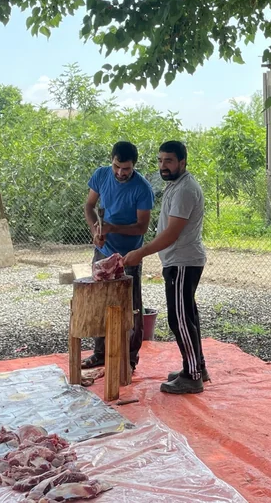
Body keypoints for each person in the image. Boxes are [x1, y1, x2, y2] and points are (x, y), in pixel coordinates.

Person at [124, 141, 208, 395]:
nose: (163, 166)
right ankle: (196, 367)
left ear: (182, 162)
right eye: (160, 160)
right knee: (187, 316)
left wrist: (140, 253)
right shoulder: (177, 185)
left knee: (179, 318)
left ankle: (193, 376)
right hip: (179, 261)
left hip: (182, 261)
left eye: (169, 161)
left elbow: (171, 233)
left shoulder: (184, 190)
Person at [82, 141, 155, 373]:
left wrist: (113, 228)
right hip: (103, 251)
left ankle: (130, 359)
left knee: (131, 308)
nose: (120, 173)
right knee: (100, 303)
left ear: (134, 165)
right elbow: (89, 206)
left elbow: (142, 227)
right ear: (111, 160)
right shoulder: (101, 175)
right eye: (117, 167)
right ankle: (100, 353)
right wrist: (96, 231)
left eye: (126, 169)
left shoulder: (142, 188)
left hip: (129, 255)